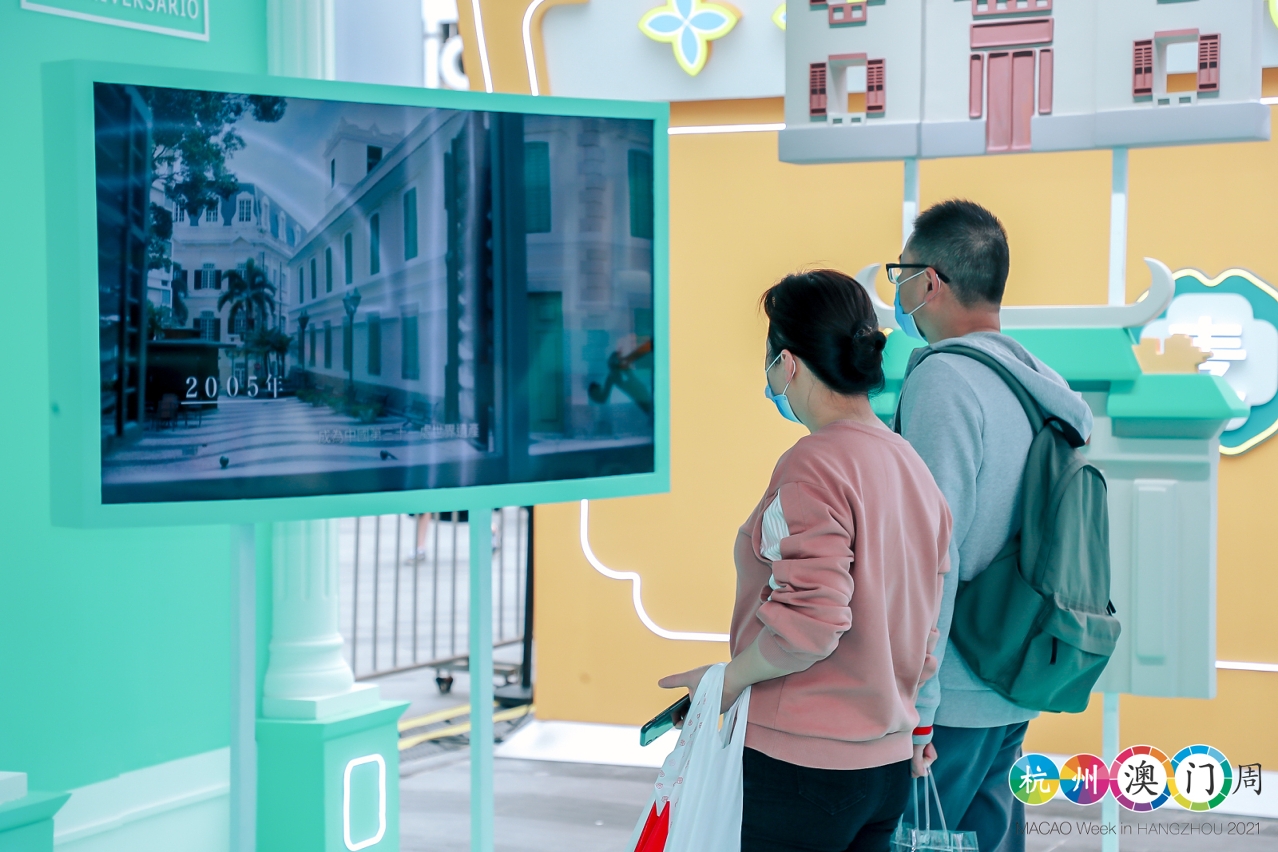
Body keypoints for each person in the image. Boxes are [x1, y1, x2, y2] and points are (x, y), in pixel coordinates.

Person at [659, 270, 952, 852]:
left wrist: (723, 683)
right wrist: (917, 721)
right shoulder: (909, 463)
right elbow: (927, 618)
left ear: (787, 364)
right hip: (885, 770)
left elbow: (812, 624)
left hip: (800, 769)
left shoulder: (813, 464)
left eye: (770, 360)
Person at [891, 200, 1095, 852]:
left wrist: (918, 708)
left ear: (929, 281)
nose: (897, 291)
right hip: (1013, 672)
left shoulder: (945, 380)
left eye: (900, 273)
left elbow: (931, 553)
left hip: (949, 692)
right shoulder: (1038, 383)